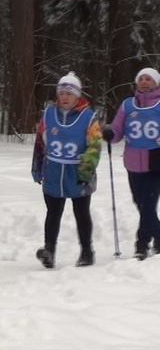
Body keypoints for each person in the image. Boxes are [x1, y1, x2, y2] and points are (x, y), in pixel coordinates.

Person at [32, 71, 102, 269]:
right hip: (54, 171)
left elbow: (95, 146)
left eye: (69, 94)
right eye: (61, 93)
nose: (64, 97)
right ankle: (49, 250)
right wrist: (37, 168)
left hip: (78, 173)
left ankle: (87, 251)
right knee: (53, 212)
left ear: (77, 96)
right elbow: (40, 143)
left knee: (81, 212)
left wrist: (86, 171)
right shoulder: (49, 114)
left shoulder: (88, 117)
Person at [102, 67, 160, 260]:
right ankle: (157, 239)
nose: (144, 82)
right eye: (141, 78)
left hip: (155, 162)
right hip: (133, 163)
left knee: (148, 206)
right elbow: (118, 130)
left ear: (156, 83)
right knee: (140, 203)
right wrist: (110, 134)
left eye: (148, 79)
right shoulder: (128, 105)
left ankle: (141, 245)